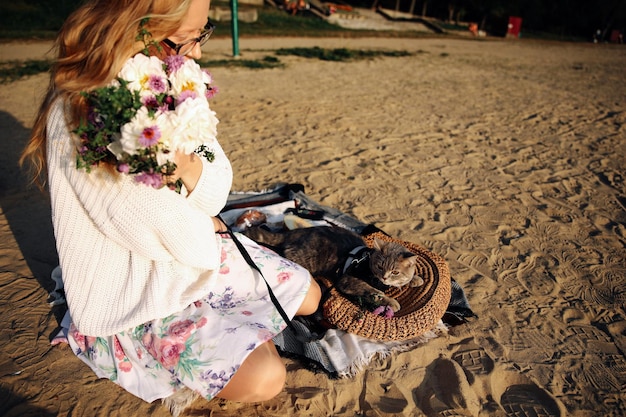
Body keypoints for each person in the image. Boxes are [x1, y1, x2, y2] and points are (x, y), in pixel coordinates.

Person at [20, 0, 322, 411]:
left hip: (189, 247)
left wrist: (186, 166)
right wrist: (203, 222)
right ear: (131, 27)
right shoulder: (82, 109)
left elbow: (217, 178)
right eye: (185, 40)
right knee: (264, 378)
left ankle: (231, 324)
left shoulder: (170, 79)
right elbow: (146, 220)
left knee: (311, 296)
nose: (196, 51)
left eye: (203, 33)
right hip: (133, 285)